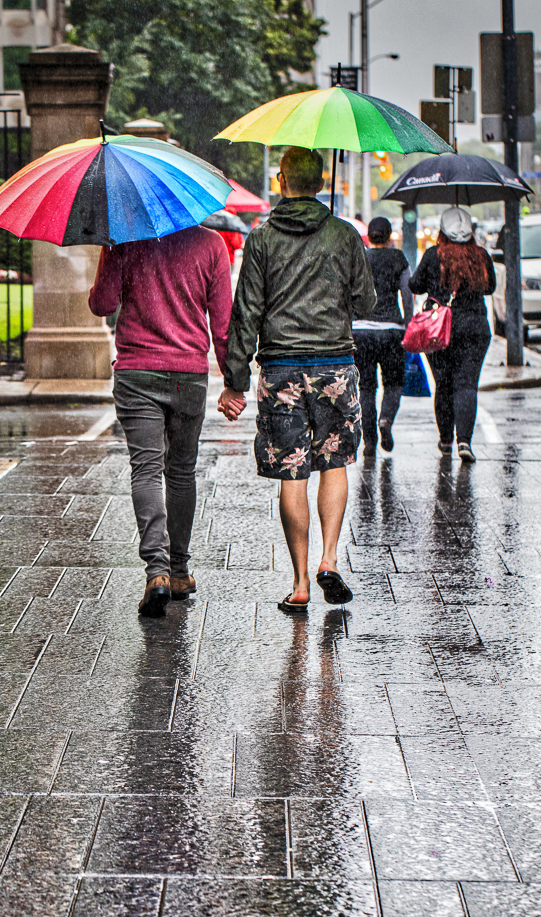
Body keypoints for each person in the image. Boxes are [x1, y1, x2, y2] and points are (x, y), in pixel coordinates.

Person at [217, 146, 376, 613]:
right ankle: (330, 557)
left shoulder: (262, 239)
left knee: (292, 472)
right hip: (334, 366)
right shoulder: (345, 236)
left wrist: (235, 380)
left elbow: (245, 311)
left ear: (282, 180)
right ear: (322, 181)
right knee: (334, 463)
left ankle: (302, 581)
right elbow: (365, 303)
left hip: (281, 368)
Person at [89, 224, 232, 618]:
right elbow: (222, 324)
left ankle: (157, 573)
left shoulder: (124, 238)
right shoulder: (210, 244)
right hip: (188, 374)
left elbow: (101, 304)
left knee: (146, 471)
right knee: (182, 472)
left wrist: (109, 249)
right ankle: (180, 569)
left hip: (137, 372)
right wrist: (235, 381)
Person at [409, 206, 496, 463]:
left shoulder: (433, 255)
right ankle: (464, 441)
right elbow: (490, 287)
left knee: (443, 385)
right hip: (474, 328)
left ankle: (445, 439)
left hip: (438, 329)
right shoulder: (480, 255)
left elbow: (416, 284)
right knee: (467, 384)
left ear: (442, 231)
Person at [352, 216, 412, 455]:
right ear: (389, 236)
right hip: (391, 330)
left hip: (361, 331)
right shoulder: (398, 258)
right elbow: (407, 293)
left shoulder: (361, 259)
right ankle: (386, 419)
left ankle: (369, 442)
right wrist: (407, 324)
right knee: (394, 383)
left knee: (366, 387)